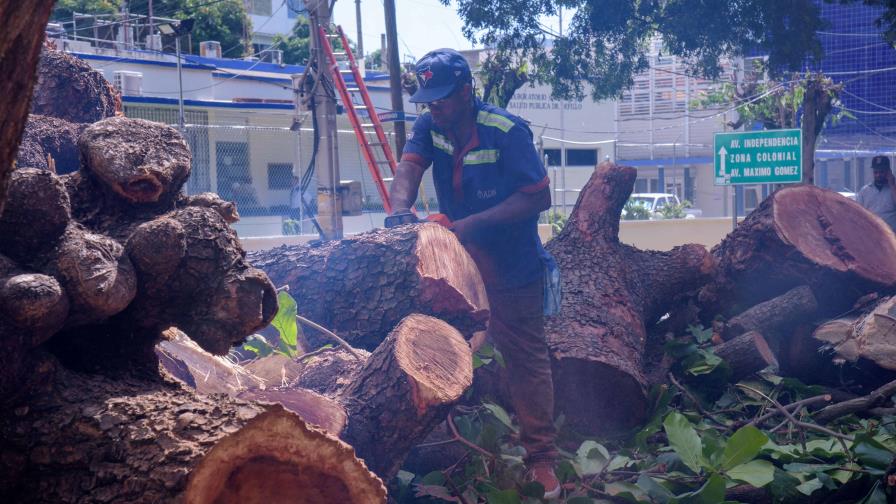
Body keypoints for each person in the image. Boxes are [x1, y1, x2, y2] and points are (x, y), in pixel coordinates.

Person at [387, 49, 561, 498]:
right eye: (429, 100)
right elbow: (408, 167)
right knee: (439, 353)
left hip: (512, 265)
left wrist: (465, 226)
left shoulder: (507, 131)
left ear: (467, 92)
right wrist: (400, 210)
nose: (434, 107)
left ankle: (542, 459)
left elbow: (536, 199)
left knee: (526, 360)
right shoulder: (430, 126)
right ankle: (444, 445)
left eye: (442, 98)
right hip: (456, 270)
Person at [857, 156, 896, 231]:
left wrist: (892, 185)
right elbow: (858, 213)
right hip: (871, 234)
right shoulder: (865, 191)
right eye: (876, 172)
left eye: (881, 172)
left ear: (888, 172)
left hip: (891, 235)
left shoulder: (893, 189)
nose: (878, 175)